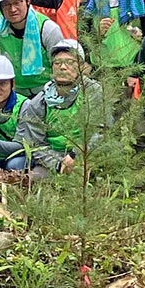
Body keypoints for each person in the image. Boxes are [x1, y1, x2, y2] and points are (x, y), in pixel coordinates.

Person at [19, 40, 108, 182]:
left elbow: (101, 131)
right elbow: (35, 144)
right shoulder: (40, 101)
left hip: (87, 156)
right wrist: (58, 163)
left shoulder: (93, 91)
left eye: (69, 62)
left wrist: (76, 155)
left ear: (80, 66)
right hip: (53, 160)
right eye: (57, 63)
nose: (63, 67)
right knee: (34, 178)